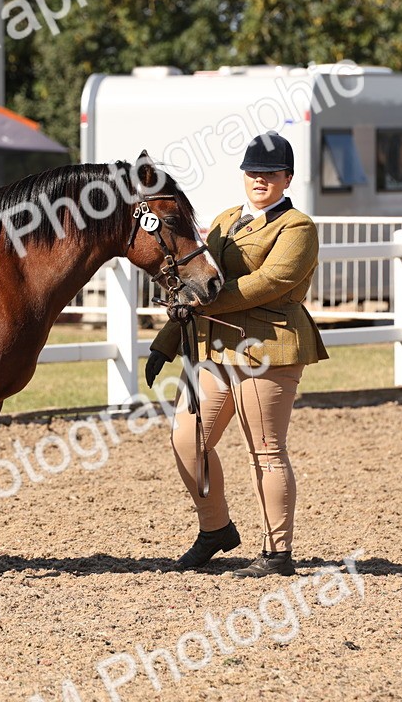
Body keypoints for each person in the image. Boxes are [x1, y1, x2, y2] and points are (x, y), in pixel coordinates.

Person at [145, 130, 328, 578]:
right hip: (216, 350)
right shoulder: (226, 220)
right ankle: (216, 529)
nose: (260, 180)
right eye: (253, 172)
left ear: (287, 178)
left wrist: (200, 302)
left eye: (271, 174)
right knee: (187, 439)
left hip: (268, 349)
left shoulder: (297, 227)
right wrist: (165, 342)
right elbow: (199, 281)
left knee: (265, 450)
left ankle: (277, 553)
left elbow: (268, 283)